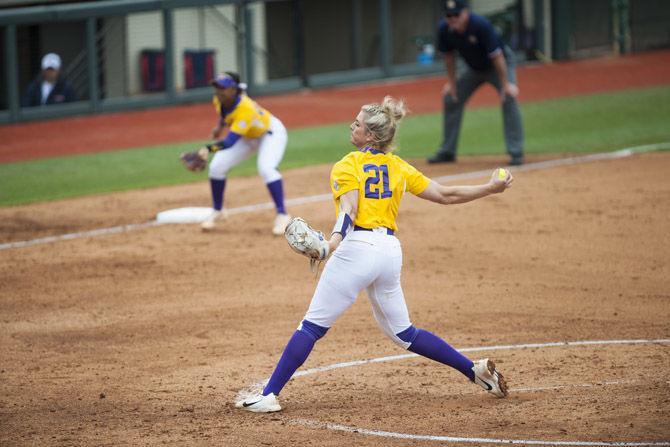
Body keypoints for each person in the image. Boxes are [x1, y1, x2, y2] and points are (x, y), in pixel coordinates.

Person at [236, 96, 513, 413]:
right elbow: (446, 195)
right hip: (389, 253)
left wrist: (331, 245)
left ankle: (270, 395)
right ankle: (473, 370)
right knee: (404, 333)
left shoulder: (348, 165)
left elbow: (349, 211)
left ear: (370, 136)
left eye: (357, 124)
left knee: (312, 326)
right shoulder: (398, 167)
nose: (351, 126)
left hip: (357, 250)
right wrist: (491, 187)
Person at [427, 0, 524, 166]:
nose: (452, 19)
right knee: (451, 98)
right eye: (449, 15)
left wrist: (506, 84)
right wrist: (452, 83)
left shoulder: (481, 25)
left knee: (508, 97)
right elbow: (449, 57)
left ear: (466, 13)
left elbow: (497, 56)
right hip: (472, 68)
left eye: (456, 14)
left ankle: (516, 152)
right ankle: (447, 151)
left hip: (498, 65)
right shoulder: (444, 29)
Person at [199, 71, 291, 235]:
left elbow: (229, 143)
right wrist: (219, 128)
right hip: (248, 135)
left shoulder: (245, 108)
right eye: (216, 87)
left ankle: (283, 215)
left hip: (270, 133)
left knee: (266, 168)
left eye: (222, 88)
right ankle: (218, 210)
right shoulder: (218, 99)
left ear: (233, 90)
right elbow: (224, 114)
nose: (218, 91)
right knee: (216, 168)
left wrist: (207, 149)